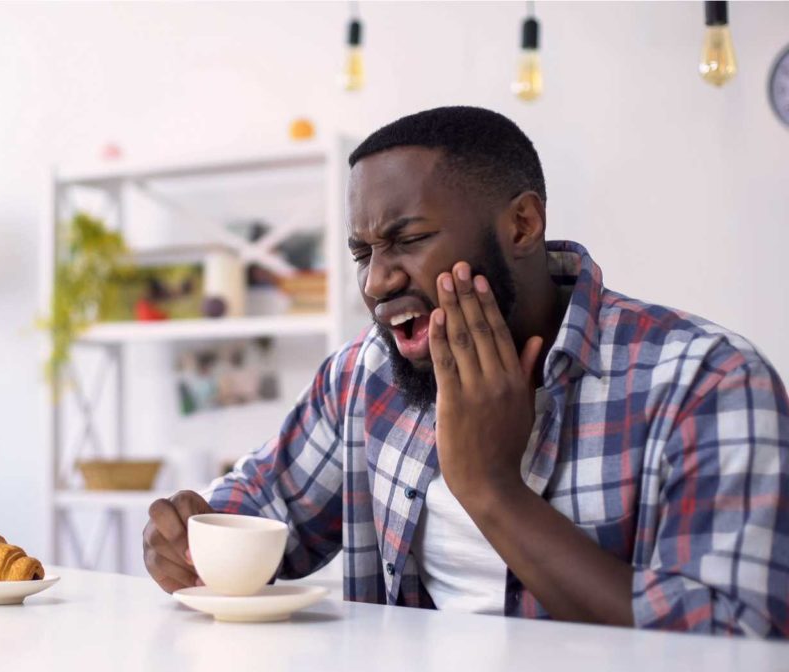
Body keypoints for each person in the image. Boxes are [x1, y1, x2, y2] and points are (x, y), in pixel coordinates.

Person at [142, 106, 789, 637]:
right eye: (363, 252)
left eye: (409, 239)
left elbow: (737, 645)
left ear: (522, 224)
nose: (377, 280)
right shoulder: (365, 375)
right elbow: (257, 511)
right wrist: (184, 536)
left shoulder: (708, 383)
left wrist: (491, 490)